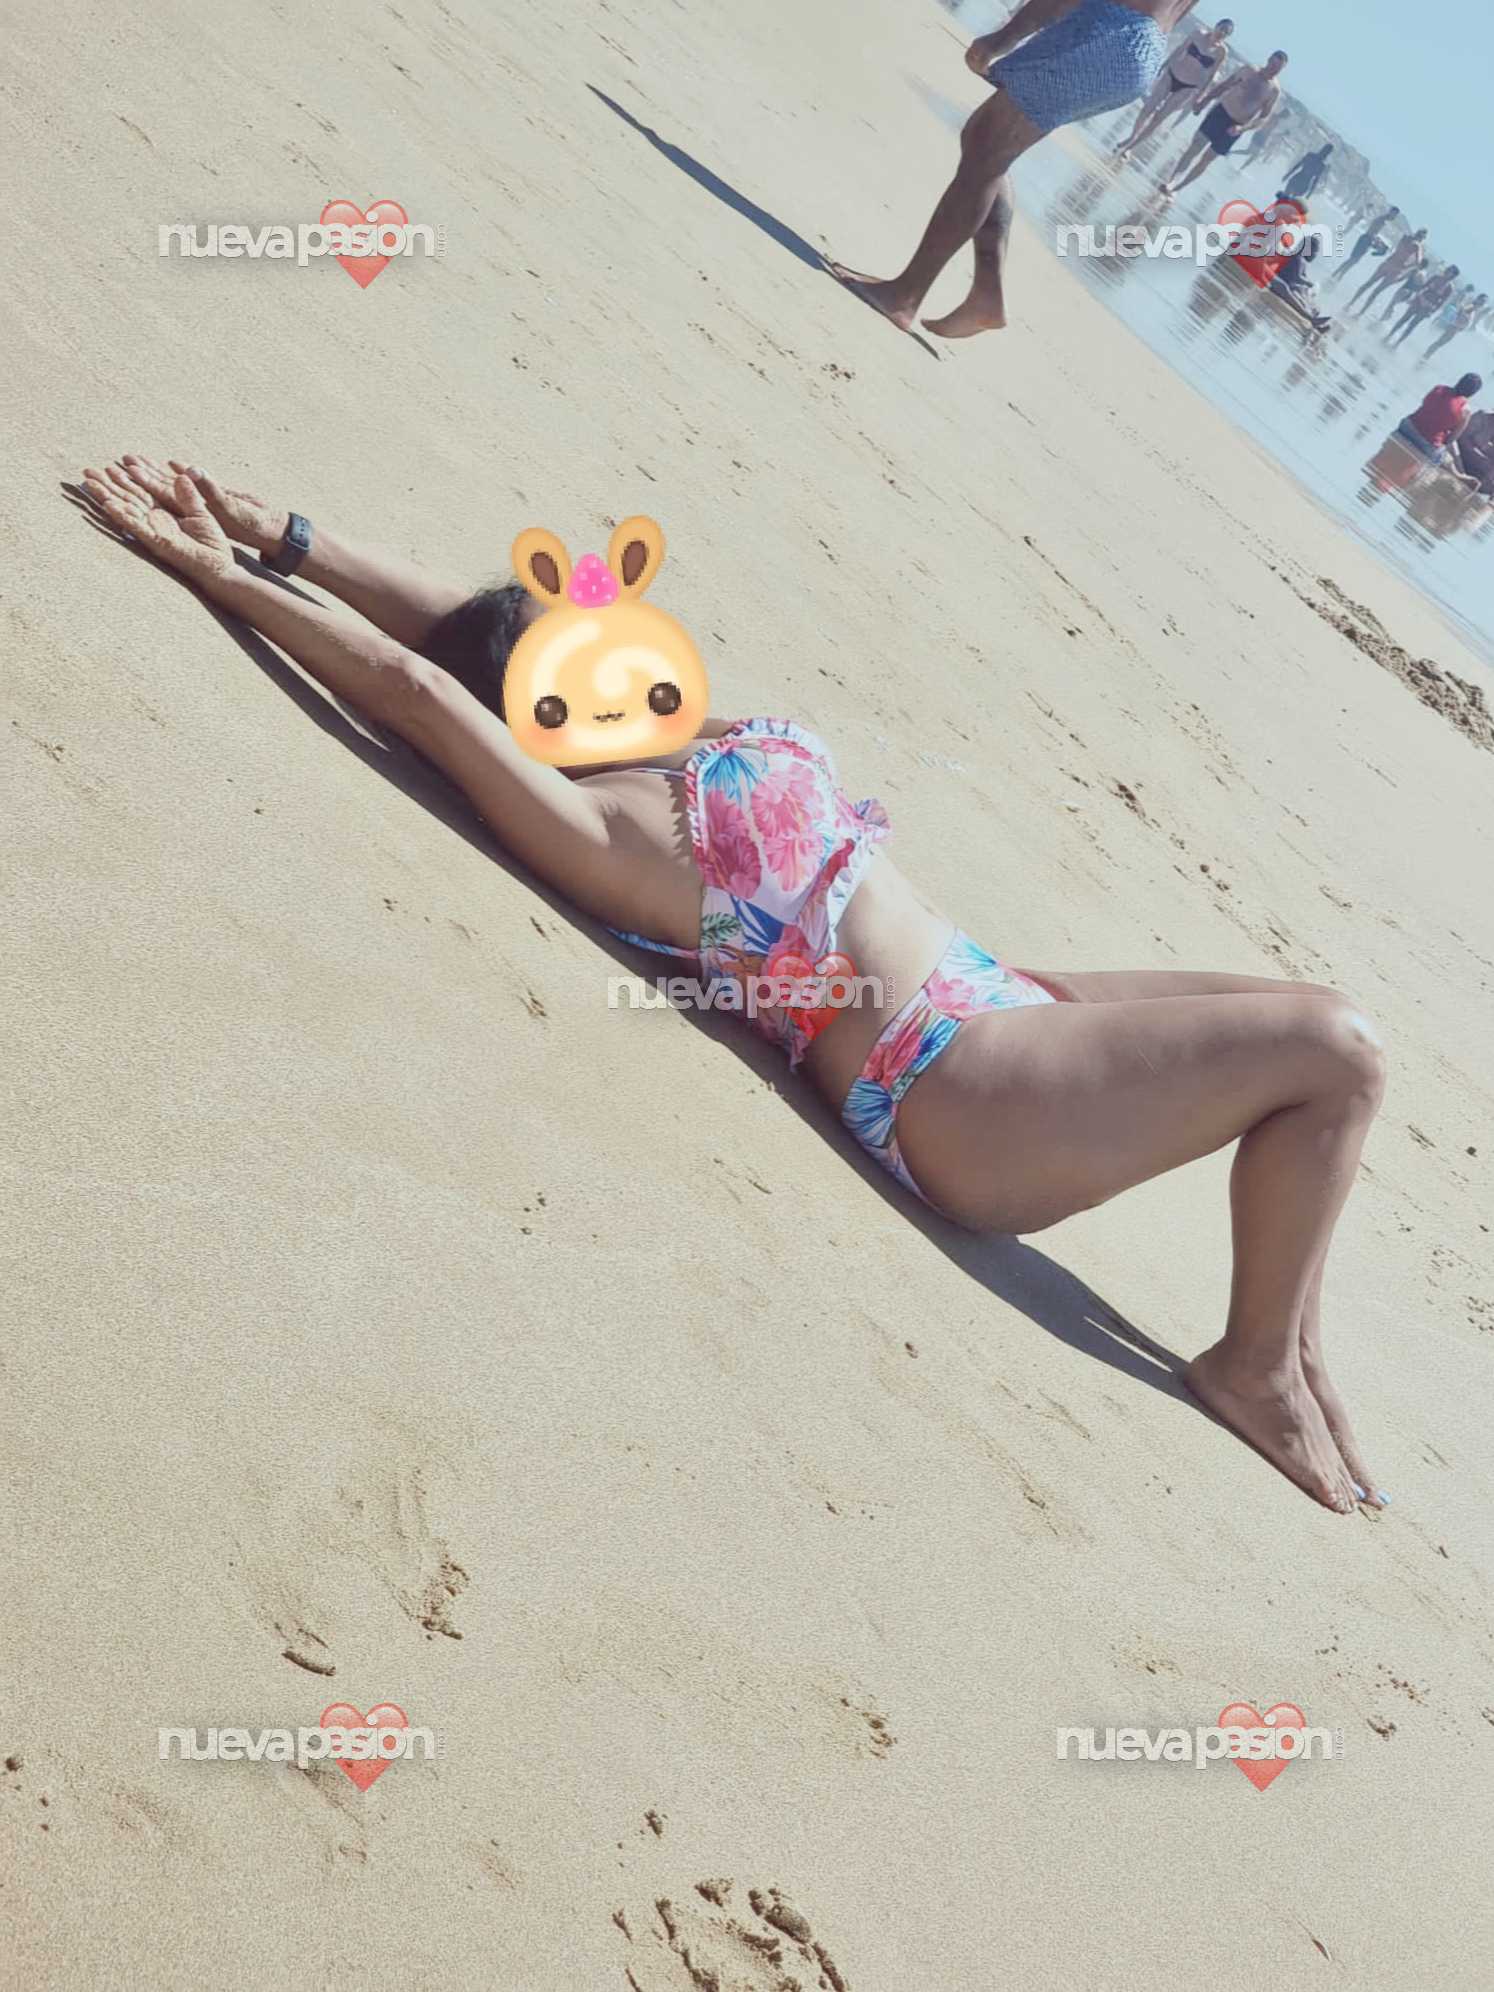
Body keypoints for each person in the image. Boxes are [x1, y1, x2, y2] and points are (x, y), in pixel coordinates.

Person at [77, 451, 1392, 1517]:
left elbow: (455, 633)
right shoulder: (601, 826)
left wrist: (287, 532)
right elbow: (420, 689)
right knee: (1337, 1050)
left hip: (1000, 995)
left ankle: (1289, 1343)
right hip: (950, 1089)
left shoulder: (673, 736)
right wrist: (216, 573)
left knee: (1312, 1023)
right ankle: (1250, 1366)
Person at [825, 0, 1194, 339]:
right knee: (984, 142)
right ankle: (985, 293)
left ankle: (905, 296)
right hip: (1141, 46)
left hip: (1111, 34)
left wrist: (1005, 36)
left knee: (989, 148)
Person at [1158, 51, 1289, 197]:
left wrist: (1242, 128)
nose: (1273, 69)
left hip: (1236, 127)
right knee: (1194, 147)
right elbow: (1224, 86)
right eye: (1273, 64)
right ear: (1269, 60)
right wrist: (1204, 101)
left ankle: (1177, 189)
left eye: (1278, 68)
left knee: (1206, 159)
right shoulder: (1249, 70)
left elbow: (1263, 118)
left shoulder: (1274, 90)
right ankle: (1172, 182)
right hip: (1221, 113)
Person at [1114, 16, 1233, 156]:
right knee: (1147, 108)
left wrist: (1201, 95)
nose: (1222, 33)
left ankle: (1130, 148)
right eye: (1222, 28)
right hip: (1172, 74)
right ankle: (1132, 137)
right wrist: (1163, 65)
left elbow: (1211, 75)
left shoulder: (1221, 52)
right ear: (1216, 25)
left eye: (1226, 32)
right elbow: (1179, 50)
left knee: (1158, 118)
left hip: (1189, 86)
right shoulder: (1198, 34)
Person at [1393, 371, 1481, 466]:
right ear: (1473, 393)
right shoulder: (1465, 409)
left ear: (1460, 381)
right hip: (1427, 443)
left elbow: (1424, 404)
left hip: (1407, 426)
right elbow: (1451, 439)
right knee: (1440, 458)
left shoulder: (1439, 388)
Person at [1347, 227, 1426, 314]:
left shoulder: (1407, 239)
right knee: (1375, 290)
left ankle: (1351, 305)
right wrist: (1406, 266)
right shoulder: (1416, 245)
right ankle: (1357, 311)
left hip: (1391, 263)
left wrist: (1406, 266)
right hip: (1396, 267)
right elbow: (1418, 262)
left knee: (1370, 285)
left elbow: (1401, 250)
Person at [1328, 205, 1401, 288]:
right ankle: (1336, 275)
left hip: (1366, 241)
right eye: (1394, 215)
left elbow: (1373, 232)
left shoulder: (1382, 221)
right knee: (1352, 260)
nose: (1394, 217)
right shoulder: (1381, 220)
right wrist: (1377, 242)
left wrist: (1377, 242)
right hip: (1365, 240)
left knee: (1353, 261)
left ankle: (1337, 276)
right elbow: (1371, 232)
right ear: (1391, 212)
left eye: (1395, 215)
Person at [1388, 264, 1460, 344]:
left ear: (1453, 275)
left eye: (1450, 271)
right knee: (1404, 319)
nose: (1448, 271)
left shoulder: (1449, 287)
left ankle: (1397, 344)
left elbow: (1442, 301)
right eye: (1448, 269)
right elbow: (1423, 287)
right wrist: (1415, 296)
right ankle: (1388, 336)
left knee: (1412, 325)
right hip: (1419, 299)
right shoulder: (1436, 277)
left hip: (1428, 307)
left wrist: (1432, 311)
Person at [1425, 290, 1489, 360]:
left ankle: (1427, 355)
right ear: (1478, 299)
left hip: (1455, 328)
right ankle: (1426, 355)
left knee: (1441, 342)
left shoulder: (1474, 308)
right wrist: (1460, 323)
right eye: (1482, 301)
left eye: (1484, 302)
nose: (1482, 303)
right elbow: (1461, 311)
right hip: (1453, 327)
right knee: (1440, 342)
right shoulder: (1472, 306)